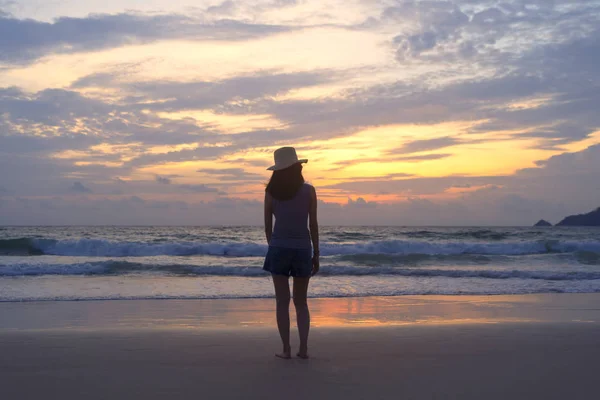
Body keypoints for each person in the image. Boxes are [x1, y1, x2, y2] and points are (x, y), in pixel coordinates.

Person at [263, 146, 319, 360]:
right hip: (303, 249)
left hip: (278, 248)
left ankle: (286, 349)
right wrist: (316, 253)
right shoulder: (309, 191)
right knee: (301, 302)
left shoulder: (270, 192)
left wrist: (275, 245)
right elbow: (313, 225)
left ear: (277, 170)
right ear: (297, 167)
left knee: (282, 301)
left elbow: (268, 226)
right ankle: (303, 349)